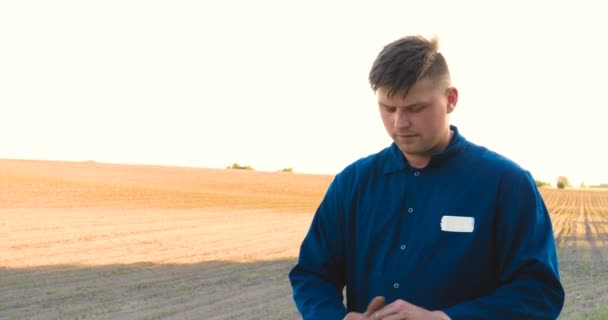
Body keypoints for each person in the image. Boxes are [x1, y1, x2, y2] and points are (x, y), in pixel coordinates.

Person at [288, 35, 564, 320]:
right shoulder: (352, 184)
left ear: (451, 99)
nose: (400, 123)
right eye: (388, 108)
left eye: (415, 108)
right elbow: (312, 275)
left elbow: (539, 293)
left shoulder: (507, 184)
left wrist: (445, 318)